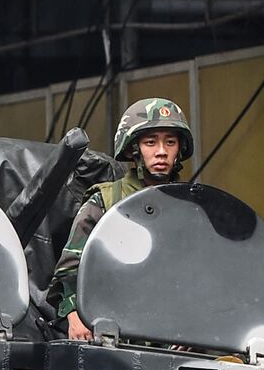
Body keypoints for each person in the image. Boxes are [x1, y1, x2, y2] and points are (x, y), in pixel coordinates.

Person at [50, 98, 194, 341]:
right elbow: (69, 268)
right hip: (114, 330)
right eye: (150, 142)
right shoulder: (106, 201)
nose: (161, 151)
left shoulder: (189, 208)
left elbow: (201, 274)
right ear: (132, 149)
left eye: (170, 142)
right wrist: (74, 317)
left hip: (173, 332)